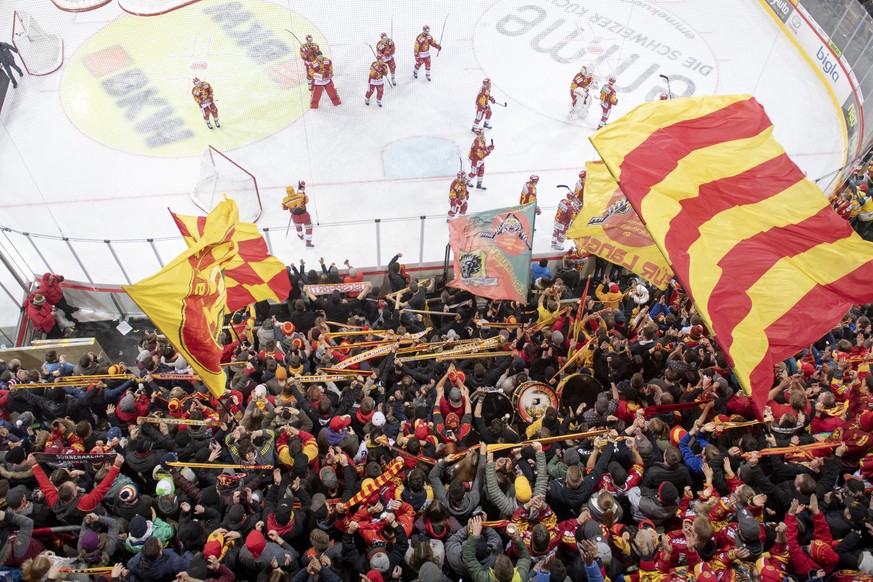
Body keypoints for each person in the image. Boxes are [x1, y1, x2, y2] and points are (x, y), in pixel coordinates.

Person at [282, 181, 314, 247]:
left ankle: (300, 235)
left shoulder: (285, 200)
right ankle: (308, 242)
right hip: (304, 215)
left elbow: (284, 208)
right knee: (309, 228)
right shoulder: (300, 195)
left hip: (295, 216)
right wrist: (303, 193)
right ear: (293, 190)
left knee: (298, 226)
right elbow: (306, 201)